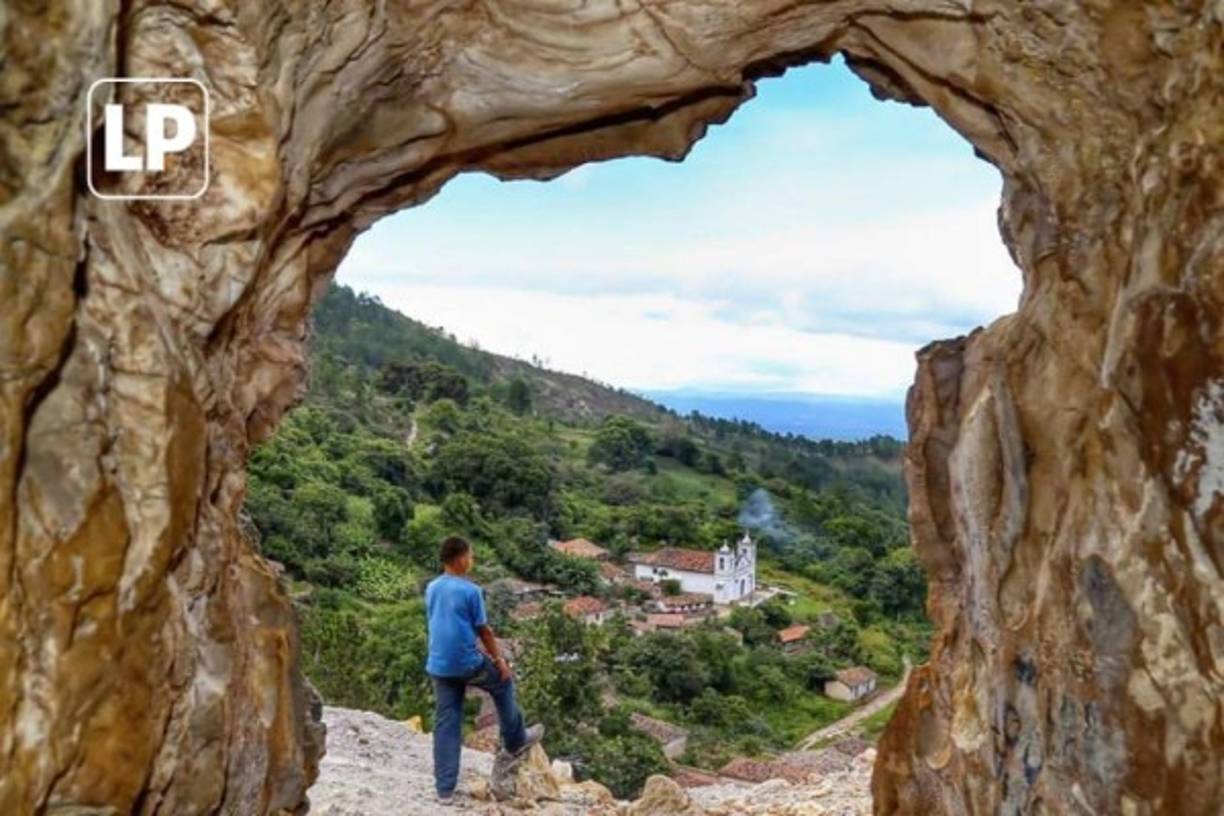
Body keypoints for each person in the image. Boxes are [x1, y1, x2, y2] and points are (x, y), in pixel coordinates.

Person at [425, 535, 544, 804]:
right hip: (466, 662)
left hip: (438, 664)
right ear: (460, 559)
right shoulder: (471, 591)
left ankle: (444, 789)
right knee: (502, 683)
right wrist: (499, 660)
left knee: (447, 721)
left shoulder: (432, 587)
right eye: (470, 556)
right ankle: (515, 740)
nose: (472, 560)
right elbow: (485, 631)